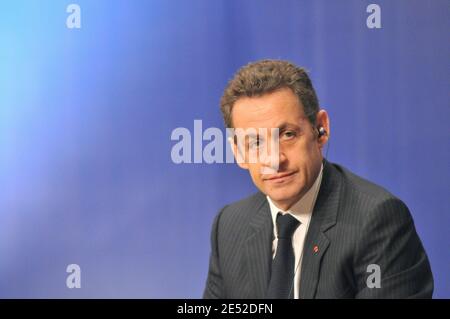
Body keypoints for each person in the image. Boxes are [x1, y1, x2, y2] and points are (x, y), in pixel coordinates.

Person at [203, 59, 433, 299]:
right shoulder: (229, 225)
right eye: (256, 142)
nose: (274, 159)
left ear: (320, 129)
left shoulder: (377, 221)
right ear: (238, 152)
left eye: (288, 135)